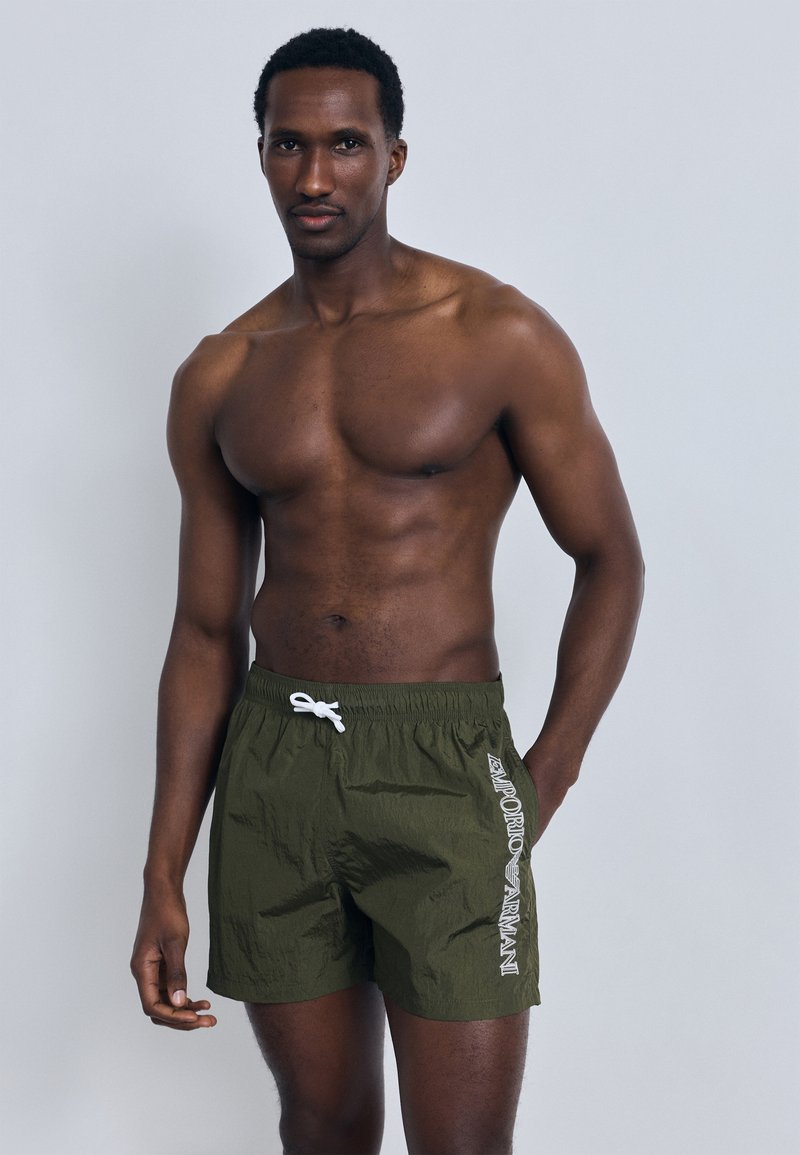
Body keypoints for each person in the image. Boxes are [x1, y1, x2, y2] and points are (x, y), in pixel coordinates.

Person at [130, 26, 644, 1155]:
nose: (315, 176)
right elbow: (205, 633)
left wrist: (541, 778)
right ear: (262, 156)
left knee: (460, 1144)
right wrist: (163, 869)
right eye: (290, 145)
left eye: (346, 144)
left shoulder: (497, 335)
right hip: (276, 765)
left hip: (443, 762)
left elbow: (610, 556)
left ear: (394, 156)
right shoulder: (222, 372)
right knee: (320, 1124)